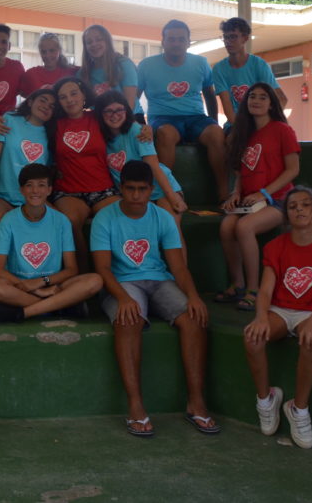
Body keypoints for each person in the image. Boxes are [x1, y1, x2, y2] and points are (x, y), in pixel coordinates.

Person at [91, 160, 218, 438]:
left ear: (151, 190)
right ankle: (136, 406)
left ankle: (196, 402)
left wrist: (193, 296)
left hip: (159, 279)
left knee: (194, 317)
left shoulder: (162, 217)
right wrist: (123, 298)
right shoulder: (105, 218)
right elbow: (102, 268)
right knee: (129, 319)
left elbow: (178, 267)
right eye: (130, 189)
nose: (136, 195)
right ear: (121, 188)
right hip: (121, 282)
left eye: (142, 189)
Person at [243, 186, 312, 449]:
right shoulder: (275, 247)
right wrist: (261, 317)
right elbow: (266, 290)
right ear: (286, 216)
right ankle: (266, 399)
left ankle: (298, 409)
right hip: (280, 310)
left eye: (306, 204)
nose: (299, 209)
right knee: (253, 338)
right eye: (292, 206)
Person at [218, 83, 301, 311]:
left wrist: (263, 193)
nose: (256, 100)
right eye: (252, 96)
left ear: (272, 104)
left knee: (244, 227)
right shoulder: (243, 133)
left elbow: (293, 170)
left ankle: (254, 290)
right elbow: (241, 173)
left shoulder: (282, 130)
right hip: (250, 201)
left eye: (263, 97)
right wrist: (236, 193)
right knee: (226, 227)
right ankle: (238, 285)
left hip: (279, 200)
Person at [0, 163, 102, 323]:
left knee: (94, 281)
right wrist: (33, 288)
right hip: (20, 287)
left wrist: (41, 282)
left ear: (49, 190)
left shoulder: (61, 221)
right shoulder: (8, 220)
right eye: (29, 185)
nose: (35, 191)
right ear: (21, 190)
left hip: (53, 286)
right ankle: (61, 307)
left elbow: (71, 269)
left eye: (41, 185)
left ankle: (24, 313)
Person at [138, 19, 227, 201]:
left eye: (181, 39)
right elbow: (133, 96)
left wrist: (214, 122)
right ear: (163, 42)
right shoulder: (146, 65)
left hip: (196, 117)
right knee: (166, 134)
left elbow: (209, 95)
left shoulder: (201, 63)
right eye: (171, 39)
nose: (176, 43)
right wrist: (140, 124)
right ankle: (165, 194)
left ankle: (224, 193)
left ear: (188, 42)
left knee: (216, 133)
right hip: (162, 118)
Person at [96, 90, 187, 250]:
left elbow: (154, 166)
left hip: (162, 190)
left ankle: (181, 267)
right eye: (108, 111)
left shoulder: (137, 131)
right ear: (100, 114)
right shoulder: (99, 137)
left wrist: (173, 198)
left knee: (171, 229)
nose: (114, 115)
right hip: (134, 195)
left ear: (126, 110)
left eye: (119, 110)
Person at [47, 76, 117, 271]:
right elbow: (27, 116)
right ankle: (82, 275)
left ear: (84, 94)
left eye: (73, 93)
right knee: (69, 221)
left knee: (118, 218)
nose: (69, 100)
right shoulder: (53, 123)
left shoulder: (98, 117)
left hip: (103, 189)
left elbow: (125, 120)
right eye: (63, 97)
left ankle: (114, 274)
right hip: (69, 191)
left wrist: (144, 129)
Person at [0, 88, 55, 249]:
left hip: (34, 197)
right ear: (30, 101)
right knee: (0, 220)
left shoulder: (51, 134)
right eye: (43, 100)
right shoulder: (8, 120)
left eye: (52, 106)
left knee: (59, 221)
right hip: (3, 196)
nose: (46, 106)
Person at [213, 17, 287, 123]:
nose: (228, 41)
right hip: (236, 124)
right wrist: (242, 129)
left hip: (261, 123)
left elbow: (282, 98)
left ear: (245, 38)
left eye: (233, 37)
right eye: (225, 37)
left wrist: (266, 124)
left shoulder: (259, 64)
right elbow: (228, 108)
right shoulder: (219, 69)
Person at [79, 25, 139, 110]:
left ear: (108, 42)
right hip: (100, 116)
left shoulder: (124, 64)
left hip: (129, 115)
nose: (94, 44)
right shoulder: (83, 73)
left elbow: (130, 104)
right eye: (89, 42)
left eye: (99, 39)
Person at [19, 32, 78, 96]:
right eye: (43, 52)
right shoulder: (31, 74)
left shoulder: (72, 71)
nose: (48, 55)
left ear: (59, 50)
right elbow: (24, 95)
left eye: (52, 50)